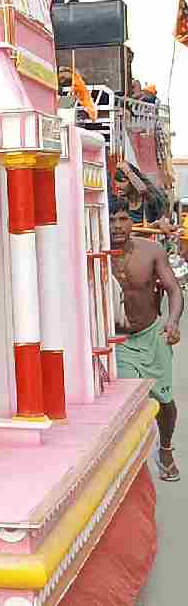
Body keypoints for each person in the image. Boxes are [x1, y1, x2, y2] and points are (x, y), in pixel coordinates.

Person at [110, 198, 183, 482]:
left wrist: (173, 322)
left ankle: (165, 449)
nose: (117, 226)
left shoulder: (151, 250)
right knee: (128, 404)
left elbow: (174, 291)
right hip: (118, 342)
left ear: (132, 220)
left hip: (152, 334)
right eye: (112, 220)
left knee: (164, 402)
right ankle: (130, 470)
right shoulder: (92, 251)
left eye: (123, 219)